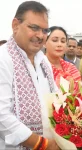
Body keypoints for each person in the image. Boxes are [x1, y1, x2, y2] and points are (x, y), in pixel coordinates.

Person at [0, 1, 60, 150]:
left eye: (45, 30)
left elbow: (56, 99)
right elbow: (2, 117)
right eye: (34, 28)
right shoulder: (3, 59)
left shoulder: (43, 61)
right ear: (15, 25)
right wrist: (43, 144)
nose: (40, 35)